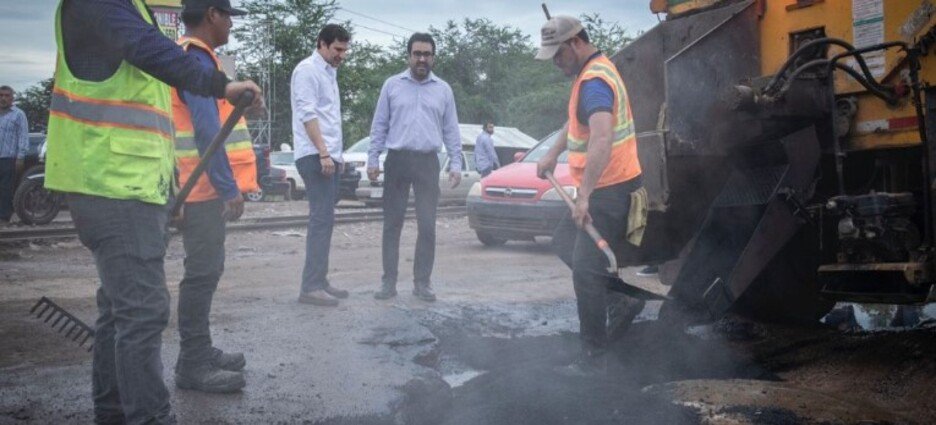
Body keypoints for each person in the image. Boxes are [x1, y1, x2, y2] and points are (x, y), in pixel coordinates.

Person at [45, 0, 261, 422]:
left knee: (119, 309)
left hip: (126, 184)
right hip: (111, 182)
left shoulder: (132, 9)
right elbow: (148, 49)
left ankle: (112, 413)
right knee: (143, 310)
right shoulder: (102, 4)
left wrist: (165, 188)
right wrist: (221, 85)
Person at [534, 16, 644, 375]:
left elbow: (600, 137)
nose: (555, 62)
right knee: (563, 241)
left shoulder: (595, 80)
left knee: (585, 269)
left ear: (576, 43)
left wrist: (584, 197)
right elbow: (576, 121)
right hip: (607, 186)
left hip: (607, 190)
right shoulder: (591, 72)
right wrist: (552, 152)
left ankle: (594, 357)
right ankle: (617, 299)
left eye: (558, 54)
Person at [170, 0, 261, 393]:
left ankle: (200, 350)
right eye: (228, 16)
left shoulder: (194, 59)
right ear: (211, 15)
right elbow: (208, 132)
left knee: (204, 271)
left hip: (199, 184)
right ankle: (192, 362)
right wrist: (228, 189)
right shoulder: (198, 63)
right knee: (202, 274)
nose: (230, 25)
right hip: (202, 188)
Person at [368, 32, 462, 302]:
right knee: (392, 224)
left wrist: (455, 163)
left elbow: (451, 130)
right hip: (397, 160)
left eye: (427, 54)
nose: (422, 58)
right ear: (408, 56)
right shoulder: (391, 85)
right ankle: (389, 282)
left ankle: (422, 283)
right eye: (417, 53)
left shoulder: (444, 90)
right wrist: (373, 159)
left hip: (427, 163)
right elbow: (379, 125)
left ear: (433, 57)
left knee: (428, 225)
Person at [291, 24, 351, 306]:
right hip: (315, 155)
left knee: (326, 219)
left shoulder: (330, 73)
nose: (342, 55)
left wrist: (336, 157)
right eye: (338, 49)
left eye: (345, 49)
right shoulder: (307, 70)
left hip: (329, 156)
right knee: (320, 218)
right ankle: (311, 286)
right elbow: (308, 114)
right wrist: (324, 153)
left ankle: (320, 280)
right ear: (322, 44)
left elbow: (330, 119)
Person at [0, 85, 28, 225]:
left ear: (12, 98)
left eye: (6, 96)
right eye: (1, 95)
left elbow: (23, 136)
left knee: (6, 189)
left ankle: (4, 217)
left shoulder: (18, 114)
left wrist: (20, 157)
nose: (3, 98)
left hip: (9, 158)